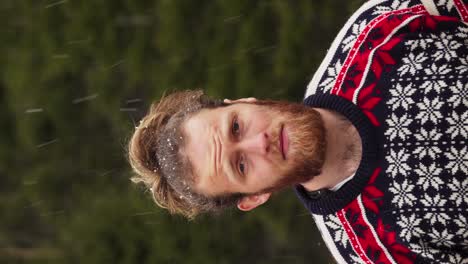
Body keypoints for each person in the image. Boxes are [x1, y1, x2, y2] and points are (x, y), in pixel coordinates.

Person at [128, 0, 468, 263]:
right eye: (241, 165)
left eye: (235, 127)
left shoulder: (374, 34)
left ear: (244, 101)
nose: (258, 142)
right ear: (254, 198)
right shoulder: (373, 252)